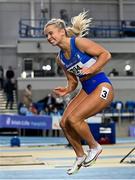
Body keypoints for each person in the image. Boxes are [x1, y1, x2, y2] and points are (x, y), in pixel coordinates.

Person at [44, 11, 114, 175]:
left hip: (102, 86)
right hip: (86, 89)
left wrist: (91, 69)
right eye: (46, 35)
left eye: (51, 33)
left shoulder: (79, 43)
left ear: (62, 31)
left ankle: (94, 146)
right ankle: (80, 155)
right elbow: (73, 81)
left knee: (75, 119)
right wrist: (67, 89)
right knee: (64, 122)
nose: (48, 38)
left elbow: (105, 55)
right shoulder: (60, 58)